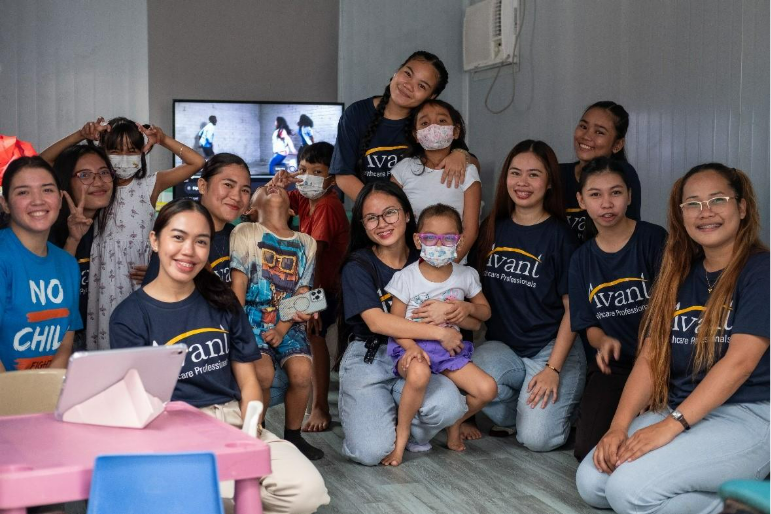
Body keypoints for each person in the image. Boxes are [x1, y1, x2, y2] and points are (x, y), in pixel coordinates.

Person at [110, 198, 329, 514]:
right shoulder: (129, 316)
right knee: (211, 492)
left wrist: (250, 428)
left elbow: (249, 381)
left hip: (231, 421)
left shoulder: (222, 302)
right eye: (178, 237)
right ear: (155, 240)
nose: (189, 250)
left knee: (307, 491)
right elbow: (139, 404)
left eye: (201, 242)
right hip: (172, 430)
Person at [576, 164, 771, 514]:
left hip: (748, 414)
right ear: (680, 215)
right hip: (682, 405)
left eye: (718, 200)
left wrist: (671, 426)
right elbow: (650, 358)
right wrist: (618, 428)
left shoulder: (761, 270)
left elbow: (740, 362)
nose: (705, 212)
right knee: (593, 482)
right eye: (692, 203)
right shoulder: (680, 273)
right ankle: (741, 503)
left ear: (741, 208)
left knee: (627, 492)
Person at [337, 181, 468, 466]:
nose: (382, 223)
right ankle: (372, 415)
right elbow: (376, 321)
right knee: (371, 452)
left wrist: (459, 312)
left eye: (390, 213)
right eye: (371, 217)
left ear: (407, 215)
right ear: (363, 224)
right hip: (371, 355)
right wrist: (438, 332)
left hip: (420, 354)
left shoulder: (429, 255)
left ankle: (399, 424)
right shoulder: (358, 265)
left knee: (451, 406)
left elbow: (465, 306)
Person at [472, 140, 586, 451]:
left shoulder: (561, 237)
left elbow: (573, 311)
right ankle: (520, 408)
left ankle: (567, 405)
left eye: (534, 175)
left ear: (549, 183)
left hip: (550, 349)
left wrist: (552, 369)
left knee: (538, 440)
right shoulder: (491, 228)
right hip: (503, 348)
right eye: (515, 173)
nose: (522, 183)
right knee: (466, 373)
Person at [567, 157, 667, 461]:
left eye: (616, 193)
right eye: (595, 195)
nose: (606, 203)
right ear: (581, 201)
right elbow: (588, 325)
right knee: (587, 451)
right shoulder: (581, 259)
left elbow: (672, 308)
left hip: (663, 363)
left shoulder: (653, 239)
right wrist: (603, 342)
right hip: (616, 367)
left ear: (629, 196)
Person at [381, 204, 496, 466]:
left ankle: (454, 423)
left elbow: (485, 313)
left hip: (449, 349)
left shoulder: (466, 275)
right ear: (417, 240)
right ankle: (402, 436)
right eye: (431, 237)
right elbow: (394, 323)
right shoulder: (406, 277)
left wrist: (467, 307)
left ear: (460, 240)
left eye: (449, 238)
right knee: (419, 373)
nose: (439, 244)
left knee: (487, 389)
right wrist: (410, 348)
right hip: (410, 345)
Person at [230, 184, 324, 460]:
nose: (274, 185)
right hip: (251, 321)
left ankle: (293, 436)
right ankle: (257, 432)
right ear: (250, 209)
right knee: (263, 374)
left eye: (281, 187)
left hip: (289, 324)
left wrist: (282, 329)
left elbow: (304, 293)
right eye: (263, 186)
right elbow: (239, 284)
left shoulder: (307, 242)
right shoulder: (245, 232)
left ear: (293, 209)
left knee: (302, 373)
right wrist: (238, 330)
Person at [268, 142, 350, 433]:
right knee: (289, 329)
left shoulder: (328, 205)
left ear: (331, 178)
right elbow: (269, 202)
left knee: (315, 342)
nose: (307, 176)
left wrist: (309, 304)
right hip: (307, 285)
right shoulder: (304, 199)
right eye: (302, 169)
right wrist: (279, 183)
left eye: (317, 171)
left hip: (321, 287)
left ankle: (320, 407)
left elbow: (314, 255)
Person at [329, 51, 469, 201]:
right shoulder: (356, 114)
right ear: (397, 72)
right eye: (408, 74)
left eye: (421, 85)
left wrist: (460, 153)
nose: (409, 85)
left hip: (418, 216)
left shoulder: (427, 124)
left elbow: (470, 163)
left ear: (431, 96)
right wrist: (379, 208)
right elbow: (343, 175)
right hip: (371, 214)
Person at [0, 156, 81, 372]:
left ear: (60, 199)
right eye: (23, 192)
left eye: (47, 190)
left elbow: (65, 343)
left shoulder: (67, 264)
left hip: (46, 396)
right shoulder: (3, 258)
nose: (38, 200)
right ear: (5, 203)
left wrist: (47, 393)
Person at [390, 99, 481, 262]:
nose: (433, 127)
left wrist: (449, 269)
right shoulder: (402, 170)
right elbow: (393, 221)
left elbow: (470, 230)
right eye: (424, 123)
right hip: (409, 264)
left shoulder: (468, 172)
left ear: (455, 131)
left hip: (455, 265)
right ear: (415, 135)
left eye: (442, 121)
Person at [143, 153, 253, 285]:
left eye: (245, 190)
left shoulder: (237, 236)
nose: (237, 197)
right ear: (202, 186)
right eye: (228, 185)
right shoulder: (179, 237)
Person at [48, 144, 117, 350]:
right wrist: (73, 239)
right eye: (85, 175)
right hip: (58, 336)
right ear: (65, 183)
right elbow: (54, 290)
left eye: (104, 172)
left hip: (100, 331)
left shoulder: (113, 228)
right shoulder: (48, 230)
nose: (98, 181)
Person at [560, 101, 642, 242]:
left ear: (617, 145)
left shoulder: (624, 174)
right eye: (583, 126)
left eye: (599, 132)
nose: (586, 136)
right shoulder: (558, 173)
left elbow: (628, 237)